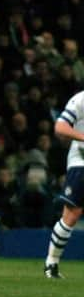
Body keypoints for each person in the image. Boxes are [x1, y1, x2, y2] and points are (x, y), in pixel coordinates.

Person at [44, 89, 84, 279]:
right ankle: (51, 263)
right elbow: (60, 127)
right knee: (72, 215)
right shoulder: (81, 99)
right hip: (81, 162)